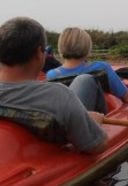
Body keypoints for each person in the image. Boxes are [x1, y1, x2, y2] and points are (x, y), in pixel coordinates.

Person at [0, 17, 107, 153]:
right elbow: (97, 146)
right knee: (84, 80)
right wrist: (94, 123)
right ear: (39, 53)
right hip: (55, 151)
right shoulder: (58, 96)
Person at [46, 28, 128, 108]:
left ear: (61, 48)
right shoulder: (101, 68)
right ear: (87, 48)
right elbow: (127, 97)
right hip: (95, 119)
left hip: (68, 118)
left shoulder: (51, 74)